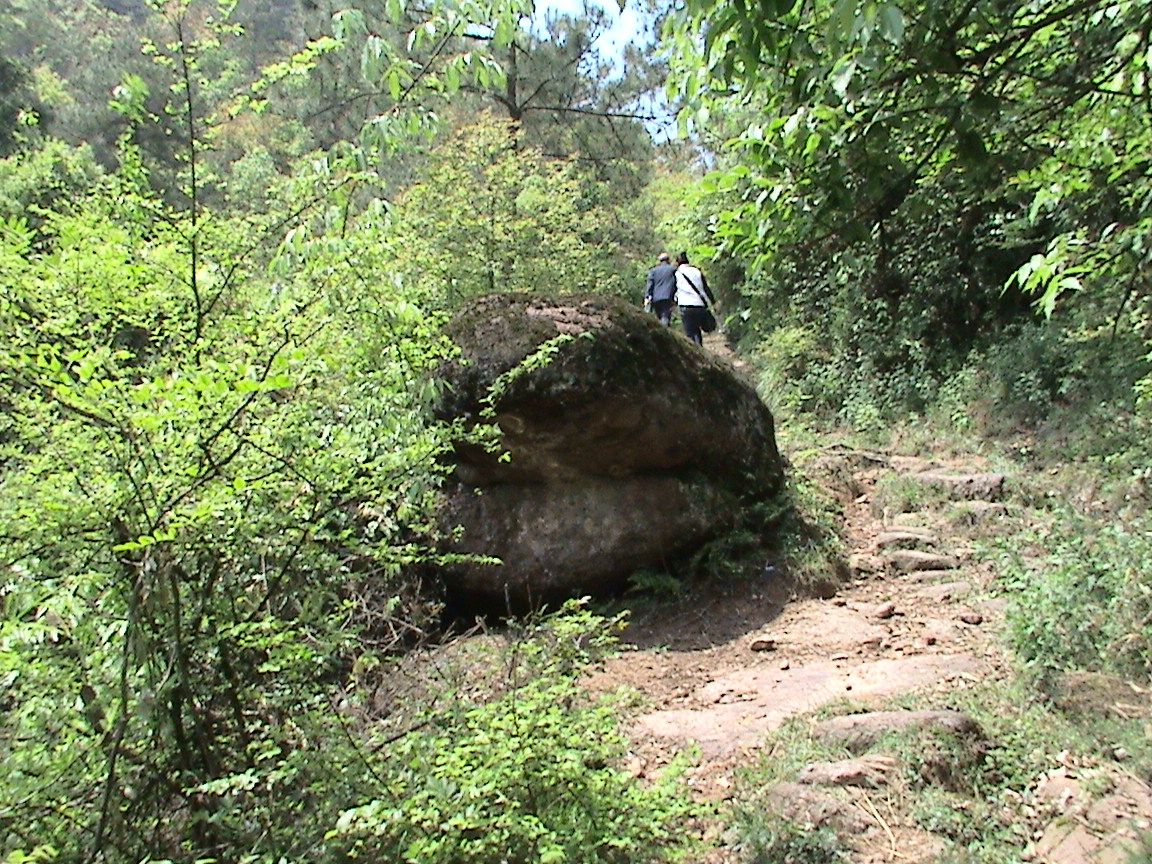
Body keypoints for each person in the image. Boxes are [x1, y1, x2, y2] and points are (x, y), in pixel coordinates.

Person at [674, 251, 715, 345]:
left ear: (677, 263)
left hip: (685, 305)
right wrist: (713, 302)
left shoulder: (677, 273)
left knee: (691, 333)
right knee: (697, 331)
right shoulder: (697, 271)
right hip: (699, 304)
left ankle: (696, 354)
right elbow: (706, 288)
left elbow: (673, 289)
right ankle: (700, 349)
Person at [644, 252, 678, 326]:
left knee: (659, 317)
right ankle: (665, 333)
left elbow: (650, 285)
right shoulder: (673, 270)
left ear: (660, 261)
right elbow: (677, 283)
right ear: (668, 260)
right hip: (668, 297)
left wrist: (647, 296)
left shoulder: (653, 271)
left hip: (656, 298)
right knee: (665, 317)